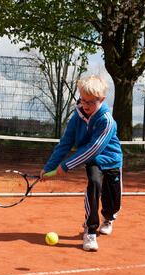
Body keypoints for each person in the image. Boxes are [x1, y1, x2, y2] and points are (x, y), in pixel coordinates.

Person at [40, 75, 123, 252]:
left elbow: (94, 148)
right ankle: (90, 231)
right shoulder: (77, 116)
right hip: (92, 160)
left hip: (111, 159)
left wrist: (66, 166)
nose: (85, 106)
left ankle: (108, 217)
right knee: (93, 185)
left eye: (91, 102)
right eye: (83, 100)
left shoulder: (107, 120)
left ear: (101, 100)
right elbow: (66, 142)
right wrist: (49, 167)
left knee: (113, 202)